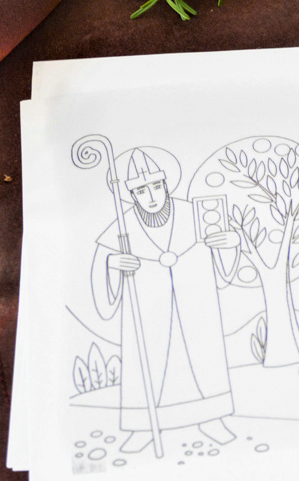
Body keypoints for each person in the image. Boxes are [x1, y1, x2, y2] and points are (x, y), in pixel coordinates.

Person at [91, 147, 240, 454]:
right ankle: (143, 425)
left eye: (156, 186)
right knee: (147, 361)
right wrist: (112, 264)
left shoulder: (195, 213)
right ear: (131, 195)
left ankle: (211, 418)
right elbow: (102, 263)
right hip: (148, 310)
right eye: (141, 190)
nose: (151, 196)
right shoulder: (122, 227)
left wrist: (230, 244)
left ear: (166, 184)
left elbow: (224, 255)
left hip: (195, 304)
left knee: (203, 358)